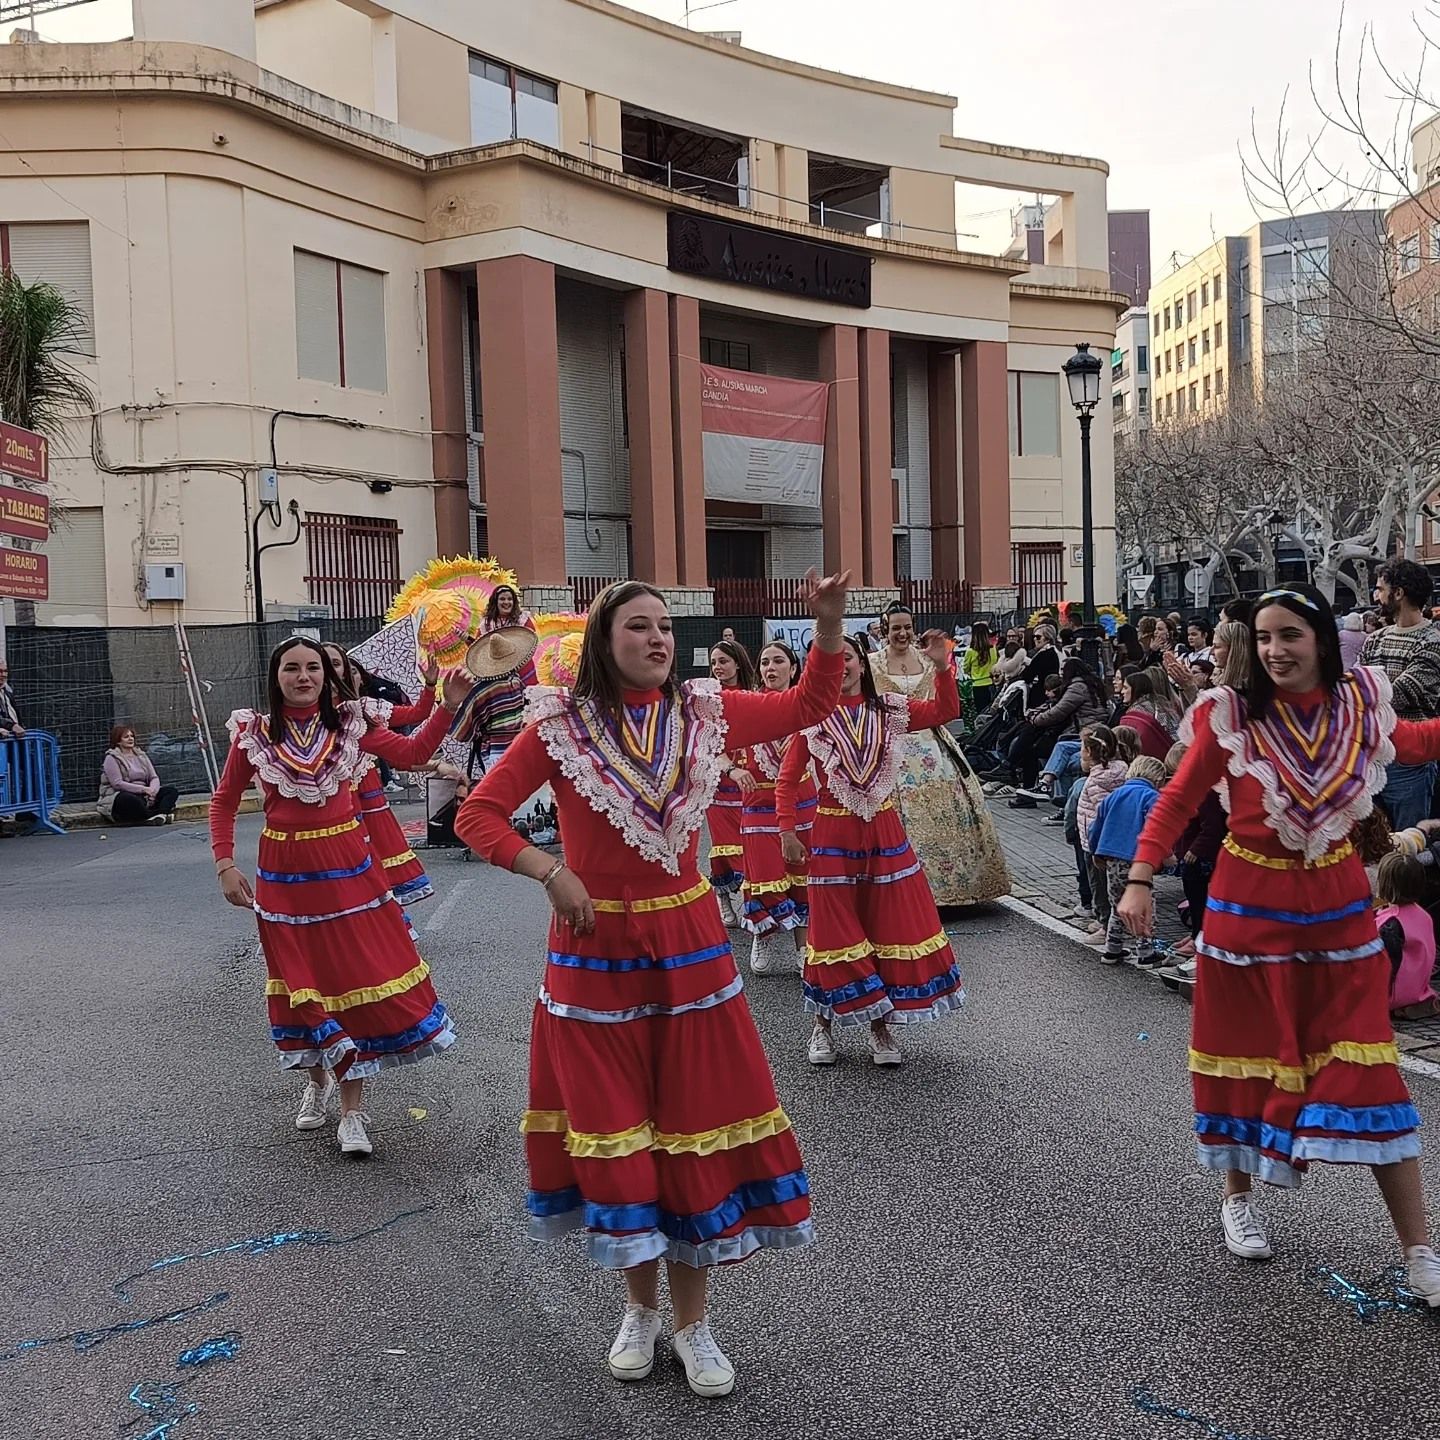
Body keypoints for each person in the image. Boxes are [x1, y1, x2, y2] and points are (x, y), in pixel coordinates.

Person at [454, 570, 851, 1399]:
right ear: (605, 641)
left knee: (691, 1127)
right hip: (592, 954)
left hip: (690, 950)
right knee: (621, 1131)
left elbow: (809, 708)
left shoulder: (705, 713)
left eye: (666, 626)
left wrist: (826, 622)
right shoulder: (559, 727)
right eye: (638, 627)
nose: (657, 639)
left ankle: (694, 1324)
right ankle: (638, 1309)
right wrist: (547, 871)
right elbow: (478, 814)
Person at [1117, 585, 1440, 1304]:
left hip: (1338, 920)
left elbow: (1419, 740)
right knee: (1242, 1062)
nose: (1274, 651)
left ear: (1321, 639)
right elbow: (1178, 798)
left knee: (1372, 1073)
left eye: (1289, 635)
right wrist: (1140, 878)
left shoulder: (1359, 706)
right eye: (1262, 637)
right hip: (1245, 916)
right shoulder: (1231, 717)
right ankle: (1238, 1199)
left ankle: (1420, 1249)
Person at [209, 637, 462, 1157]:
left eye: (313, 669)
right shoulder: (252, 735)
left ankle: (353, 1112)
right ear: (275, 676)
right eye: (292, 668)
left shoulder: (350, 725)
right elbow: (224, 801)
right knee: (305, 984)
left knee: (354, 981)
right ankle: (317, 1080)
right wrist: (225, 864)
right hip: (285, 879)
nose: (304, 677)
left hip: (350, 875)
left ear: (326, 676)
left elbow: (413, 753)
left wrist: (447, 705)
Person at [779, 632, 966, 1068]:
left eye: (847, 658)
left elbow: (945, 710)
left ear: (862, 664)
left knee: (886, 928)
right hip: (831, 836)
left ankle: (881, 1028)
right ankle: (822, 1027)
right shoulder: (811, 717)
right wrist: (787, 830)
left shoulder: (889, 710)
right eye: (830, 660)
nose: (840, 666)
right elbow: (788, 779)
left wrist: (941, 667)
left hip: (883, 832)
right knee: (830, 933)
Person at [868, 611, 1011, 906]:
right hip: (891, 748)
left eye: (907, 627)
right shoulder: (872, 663)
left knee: (946, 812)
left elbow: (948, 706)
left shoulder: (928, 659)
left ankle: (950, 888)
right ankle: (903, 891)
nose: (903, 633)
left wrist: (941, 665)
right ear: (886, 630)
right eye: (896, 628)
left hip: (932, 744)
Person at [325, 644, 439, 906]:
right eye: (323, 664)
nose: (332, 671)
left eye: (340, 665)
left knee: (373, 861)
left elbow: (412, 746)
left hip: (367, 800)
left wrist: (432, 689)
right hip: (330, 814)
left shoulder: (363, 714)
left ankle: (383, 917)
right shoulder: (294, 721)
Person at [736, 641, 814, 976]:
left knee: (802, 877)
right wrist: (732, 769)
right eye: (765, 661)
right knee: (764, 877)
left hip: (802, 804)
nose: (770, 667)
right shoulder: (747, 706)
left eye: (778, 661)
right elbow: (715, 744)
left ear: (793, 668)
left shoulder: (807, 708)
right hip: (758, 804)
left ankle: (803, 947)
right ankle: (763, 935)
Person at [1362, 559, 1440, 831]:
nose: (1376, 595)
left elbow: (1401, 693)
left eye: (1380, 588)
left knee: (1409, 851)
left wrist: (1364, 693)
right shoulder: (1375, 639)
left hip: (1411, 765)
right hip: (1372, 758)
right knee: (1372, 849)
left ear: (1399, 593)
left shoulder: (1433, 641)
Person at [1089, 755, 1167, 965]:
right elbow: (1156, 827)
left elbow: (1096, 826)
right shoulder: (1150, 797)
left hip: (1112, 859)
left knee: (1117, 905)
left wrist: (1096, 851)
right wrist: (1165, 854)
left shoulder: (1114, 795)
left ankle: (1112, 948)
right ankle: (1145, 951)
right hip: (1137, 861)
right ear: (1158, 778)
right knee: (1144, 905)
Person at [707, 639, 757, 925]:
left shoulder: (752, 695)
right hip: (720, 783)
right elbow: (708, 742)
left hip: (751, 781)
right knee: (725, 846)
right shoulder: (708, 700)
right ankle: (724, 899)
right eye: (714, 663)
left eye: (723, 661)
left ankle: (756, 903)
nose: (718, 668)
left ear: (737, 663)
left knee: (752, 845)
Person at [1011, 658, 1109, 804]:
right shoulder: (1091, 683)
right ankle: (1050, 792)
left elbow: (1058, 712)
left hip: (1086, 732)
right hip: (1088, 729)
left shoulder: (1077, 687)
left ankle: (1043, 787)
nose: (1060, 673)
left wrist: (1035, 719)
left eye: (1063, 670)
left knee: (1046, 747)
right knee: (1040, 743)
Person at [1075, 725, 1130, 948]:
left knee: (1100, 884)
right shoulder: (1121, 771)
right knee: (1115, 884)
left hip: (1096, 842)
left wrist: (1096, 842)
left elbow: (1102, 814)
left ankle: (1106, 925)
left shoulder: (1097, 780)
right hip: (1114, 842)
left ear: (1089, 752)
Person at [1374, 852, 1440, 1020]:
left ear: (1384, 885)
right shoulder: (1423, 915)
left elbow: (1385, 966)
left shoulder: (1391, 923)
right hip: (1419, 989)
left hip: (1393, 994)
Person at [97, 725, 180, 825]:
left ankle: (157, 816)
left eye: (132, 736)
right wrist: (143, 789)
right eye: (126, 737)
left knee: (171, 791)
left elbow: (153, 777)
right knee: (128, 799)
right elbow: (117, 784)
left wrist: (153, 791)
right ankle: (159, 814)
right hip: (122, 795)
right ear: (118, 741)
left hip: (145, 795)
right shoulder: (111, 758)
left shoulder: (141, 755)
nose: (130, 738)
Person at [962, 621, 998, 714]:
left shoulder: (970, 651)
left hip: (977, 685)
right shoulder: (993, 649)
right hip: (991, 683)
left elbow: (965, 668)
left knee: (981, 712)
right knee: (992, 712)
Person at [1210, 619, 1251, 692]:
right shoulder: (1219, 678)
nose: (1211, 652)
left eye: (1217, 646)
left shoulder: (1250, 689)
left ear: (1234, 649)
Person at [0, 657, 21, 737]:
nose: (4, 675)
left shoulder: (8, 692)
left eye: (5, 671)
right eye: (0, 671)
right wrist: (12, 725)